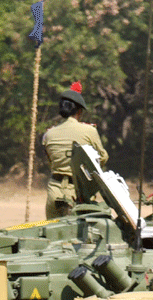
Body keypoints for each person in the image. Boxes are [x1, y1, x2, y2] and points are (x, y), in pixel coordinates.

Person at [41, 82, 108, 220]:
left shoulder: (49, 134)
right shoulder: (89, 131)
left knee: (52, 234)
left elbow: (50, 161)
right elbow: (103, 157)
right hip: (78, 193)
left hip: (54, 190)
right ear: (79, 111)